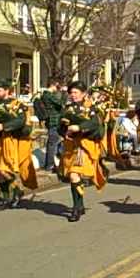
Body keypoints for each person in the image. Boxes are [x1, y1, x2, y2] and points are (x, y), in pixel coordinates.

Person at [58, 81, 106, 222]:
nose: (73, 95)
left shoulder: (93, 108)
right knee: (74, 176)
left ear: (84, 93)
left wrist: (79, 128)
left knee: (74, 175)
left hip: (85, 145)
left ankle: (76, 208)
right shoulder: (67, 108)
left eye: (76, 93)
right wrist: (64, 131)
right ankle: (80, 206)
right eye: (71, 93)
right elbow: (60, 125)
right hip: (71, 146)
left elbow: (95, 124)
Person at [0, 80, 38, 209]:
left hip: (14, 140)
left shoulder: (18, 104)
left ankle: (17, 190)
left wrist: (4, 126)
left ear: (7, 91)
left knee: (4, 169)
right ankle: (6, 197)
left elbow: (20, 121)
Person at [41, 79, 67, 172]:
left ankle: (59, 158)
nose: (57, 88)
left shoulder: (47, 95)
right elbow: (62, 103)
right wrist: (64, 93)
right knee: (52, 142)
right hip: (53, 121)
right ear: (53, 85)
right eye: (57, 86)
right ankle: (50, 165)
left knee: (62, 139)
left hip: (56, 121)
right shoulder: (48, 95)